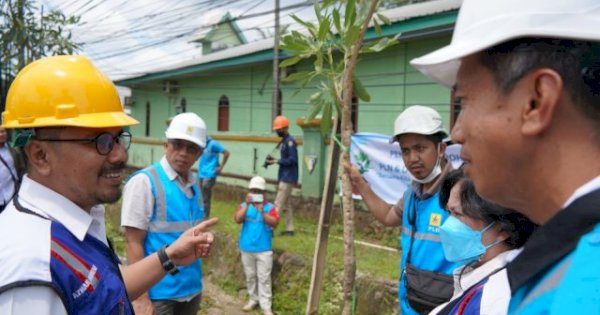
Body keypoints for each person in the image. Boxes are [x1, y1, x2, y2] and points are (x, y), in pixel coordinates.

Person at [410, 0, 600, 313]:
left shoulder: (580, 290)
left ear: (535, 101)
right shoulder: (564, 261)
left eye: (465, 102)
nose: (456, 132)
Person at [0, 55, 217, 315]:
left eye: (118, 139)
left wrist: (170, 257)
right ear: (40, 156)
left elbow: (102, 292)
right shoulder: (31, 271)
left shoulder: (78, 219)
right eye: (100, 141)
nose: (120, 155)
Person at [345, 105, 462, 314]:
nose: (412, 158)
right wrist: (360, 184)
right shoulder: (412, 192)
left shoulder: (460, 194)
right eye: (405, 151)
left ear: (441, 149)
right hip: (410, 304)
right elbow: (389, 217)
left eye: (420, 148)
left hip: (446, 308)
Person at [121, 112, 209, 315]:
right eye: (177, 144)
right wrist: (140, 298)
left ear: (199, 153)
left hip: (191, 289)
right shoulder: (144, 182)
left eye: (192, 148)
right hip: (159, 293)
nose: (184, 153)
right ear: (166, 145)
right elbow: (132, 242)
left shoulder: (194, 183)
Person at [430, 168, 535, 315]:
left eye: (458, 214)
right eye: (449, 212)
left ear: (502, 228)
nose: (447, 226)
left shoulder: (495, 300)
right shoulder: (478, 279)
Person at [234, 176, 279, 315]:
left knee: (264, 278)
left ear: (264, 193)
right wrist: (247, 205)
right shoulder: (243, 205)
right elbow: (237, 219)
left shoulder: (270, 207)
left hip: (264, 249)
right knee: (250, 275)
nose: (256, 193)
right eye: (253, 190)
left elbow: (274, 223)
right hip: (247, 247)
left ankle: (266, 306)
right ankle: (253, 299)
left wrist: (262, 211)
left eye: (258, 191)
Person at [265, 115, 298, 236]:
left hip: (287, 177)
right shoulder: (284, 142)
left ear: (284, 128)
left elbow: (292, 160)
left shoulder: (290, 142)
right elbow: (285, 159)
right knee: (287, 205)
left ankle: (270, 229)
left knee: (278, 204)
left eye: (279, 130)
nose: (277, 132)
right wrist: (275, 160)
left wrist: (277, 161)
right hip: (285, 176)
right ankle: (290, 229)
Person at [198, 136, 230, 218]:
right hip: (201, 173)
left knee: (205, 193)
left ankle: (205, 217)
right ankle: (200, 215)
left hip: (210, 173)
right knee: (200, 195)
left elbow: (226, 153)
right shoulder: (201, 144)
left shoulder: (213, 144)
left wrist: (221, 166)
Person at [0, 127, 26, 212]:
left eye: (3, 131)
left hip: (14, 194)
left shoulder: (14, 149)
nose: (2, 134)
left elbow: (21, 169)